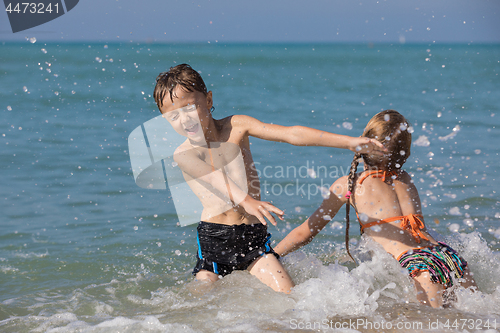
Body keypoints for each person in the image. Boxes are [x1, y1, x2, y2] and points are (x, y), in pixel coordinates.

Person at [153, 64, 386, 294]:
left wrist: (348, 142)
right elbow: (216, 180)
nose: (184, 120)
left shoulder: (237, 126)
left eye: (190, 107)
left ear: (209, 100)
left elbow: (291, 134)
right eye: (173, 116)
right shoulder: (184, 154)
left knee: (290, 299)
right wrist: (247, 201)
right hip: (215, 242)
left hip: (253, 238)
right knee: (199, 304)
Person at [274, 110, 476, 305]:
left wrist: (271, 255)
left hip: (417, 266)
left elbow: (304, 233)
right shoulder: (405, 179)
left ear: (364, 143)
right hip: (448, 258)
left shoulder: (349, 185)